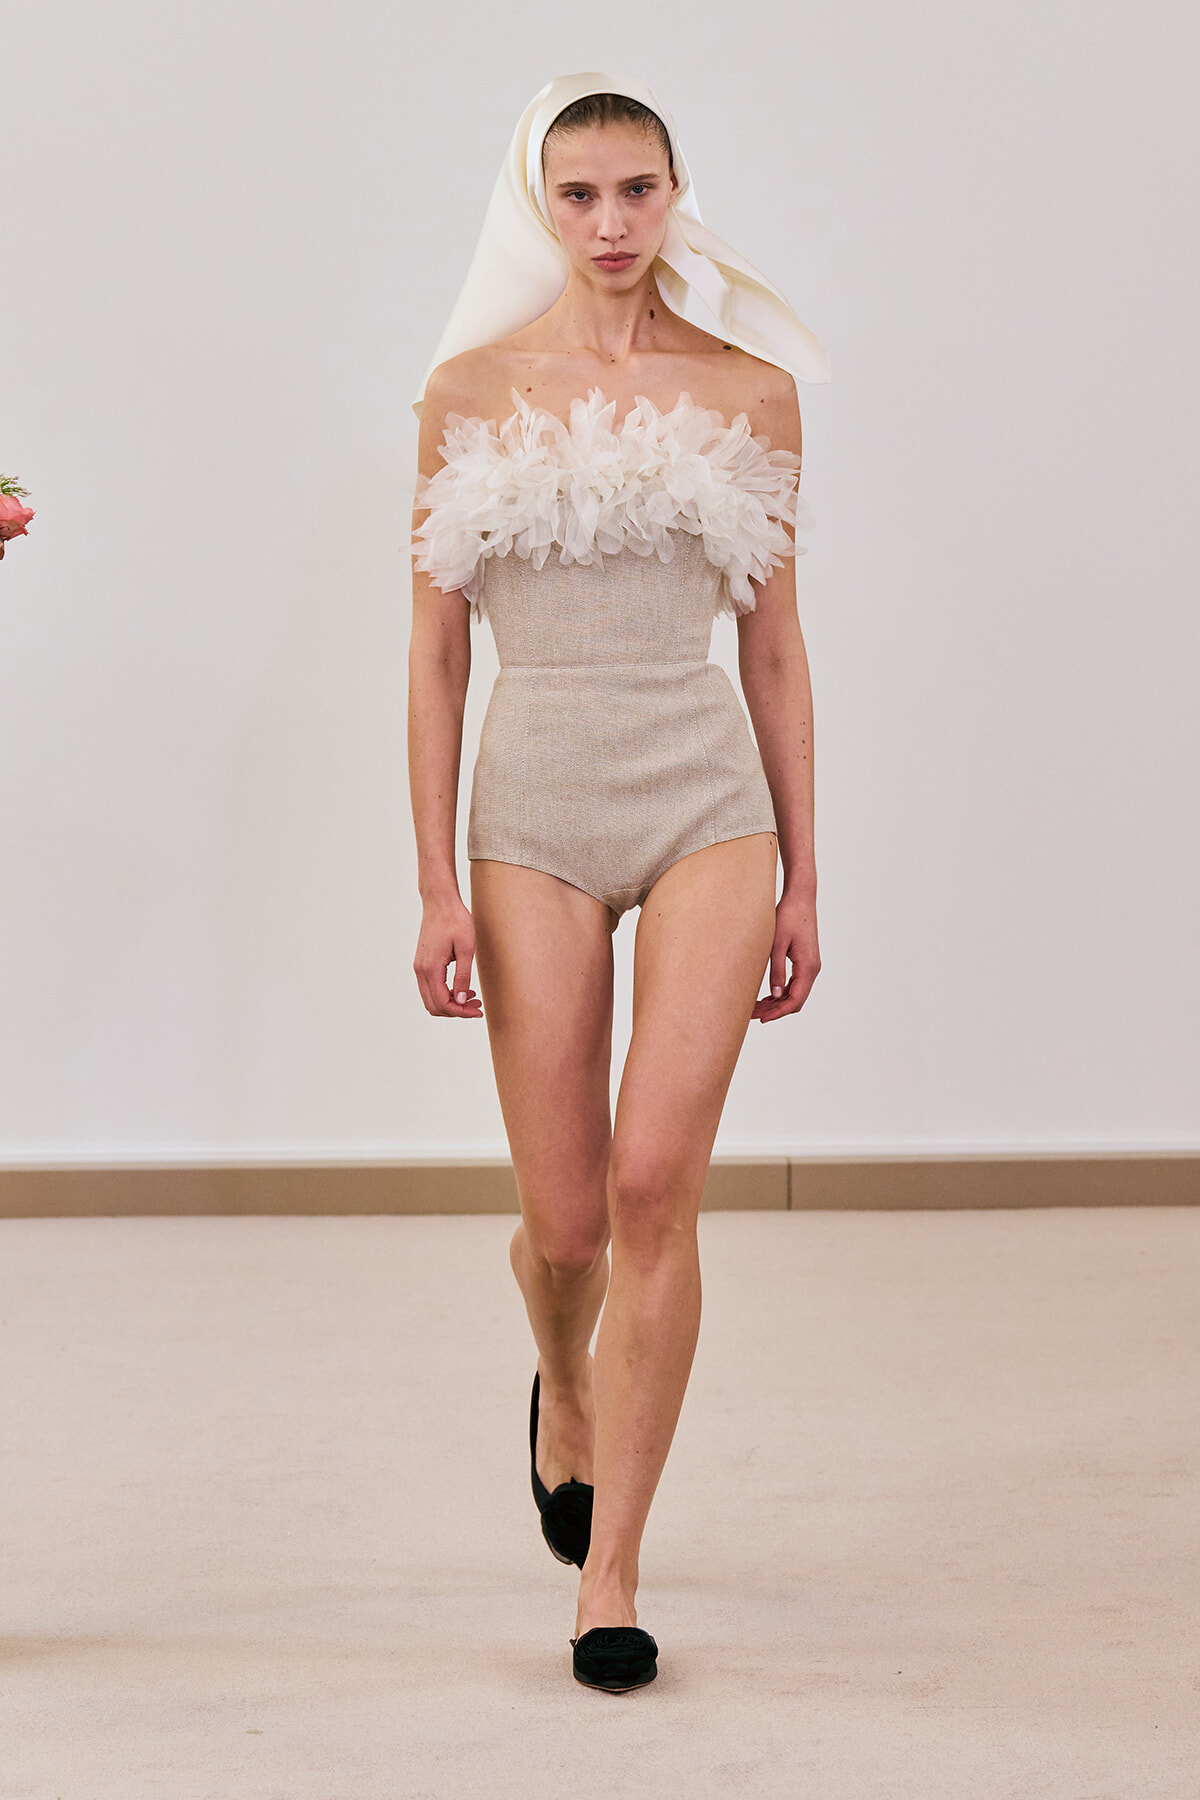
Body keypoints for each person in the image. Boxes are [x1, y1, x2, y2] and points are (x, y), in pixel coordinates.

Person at [407, 72, 830, 1693]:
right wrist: (434, 881)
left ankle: (615, 1572)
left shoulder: (752, 390)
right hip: (533, 805)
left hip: (705, 792)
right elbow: (437, 657)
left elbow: (778, 649)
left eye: (635, 191)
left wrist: (805, 874)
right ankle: (560, 1381)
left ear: (675, 195)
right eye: (577, 193)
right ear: (538, 198)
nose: (607, 223)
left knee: (659, 1189)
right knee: (568, 1216)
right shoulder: (463, 391)